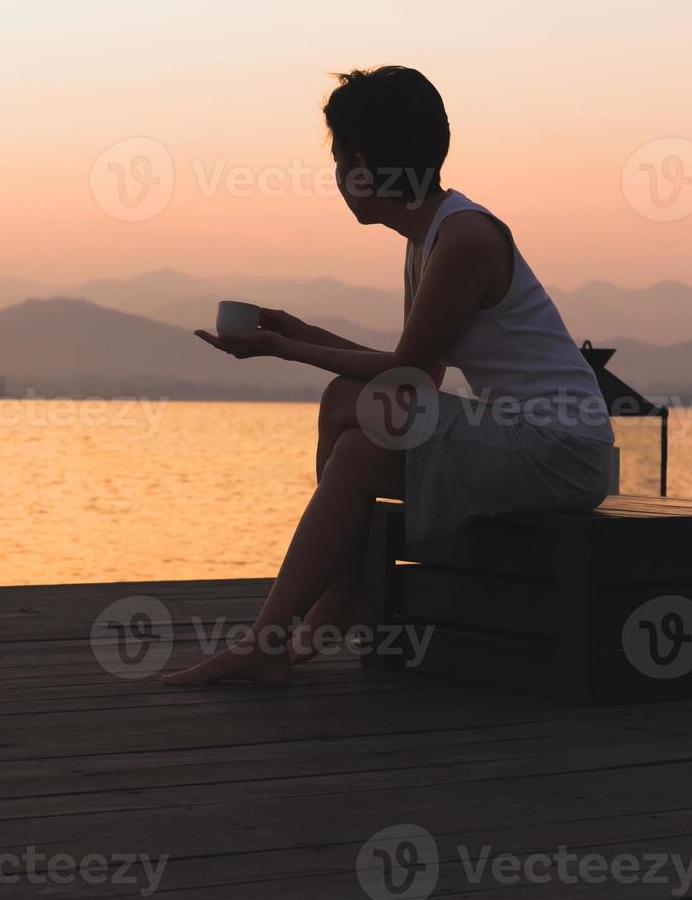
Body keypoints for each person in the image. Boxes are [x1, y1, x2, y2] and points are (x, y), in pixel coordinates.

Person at [163, 66, 615, 686]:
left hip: (558, 448)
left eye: (338, 157)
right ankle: (318, 612)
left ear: (365, 164)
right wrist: (295, 330)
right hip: (525, 441)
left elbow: (403, 370)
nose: (336, 176)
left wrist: (283, 346)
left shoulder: (464, 237)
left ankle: (293, 626)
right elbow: (419, 372)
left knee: (349, 403)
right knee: (352, 439)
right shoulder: (429, 237)